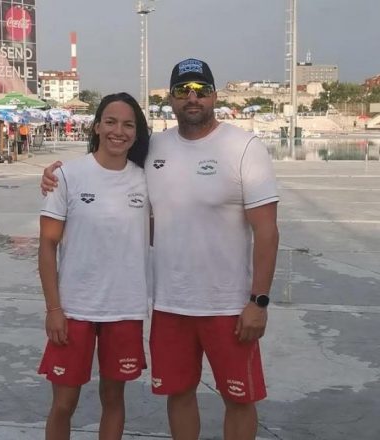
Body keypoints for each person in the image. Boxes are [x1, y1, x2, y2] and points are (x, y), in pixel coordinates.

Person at [41, 59, 279, 440]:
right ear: (170, 98)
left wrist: (259, 301)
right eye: (183, 90)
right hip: (170, 305)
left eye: (201, 90)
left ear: (215, 95)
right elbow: (106, 173)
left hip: (229, 305)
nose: (192, 97)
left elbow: (266, 230)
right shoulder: (155, 149)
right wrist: (55, 178)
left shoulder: (244, 147)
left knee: (239, 400)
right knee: (178, 395)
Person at [38, 92, 150, 440]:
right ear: (98, 126)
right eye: (111, 122)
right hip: (75, 309)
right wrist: (54, 309)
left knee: (114, 400)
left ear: (137, 132)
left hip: (124, 309)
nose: (119, 131)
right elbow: (47, 245)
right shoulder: (67, 176)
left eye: (128, 124)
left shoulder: (147, 179)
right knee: (63, 403)